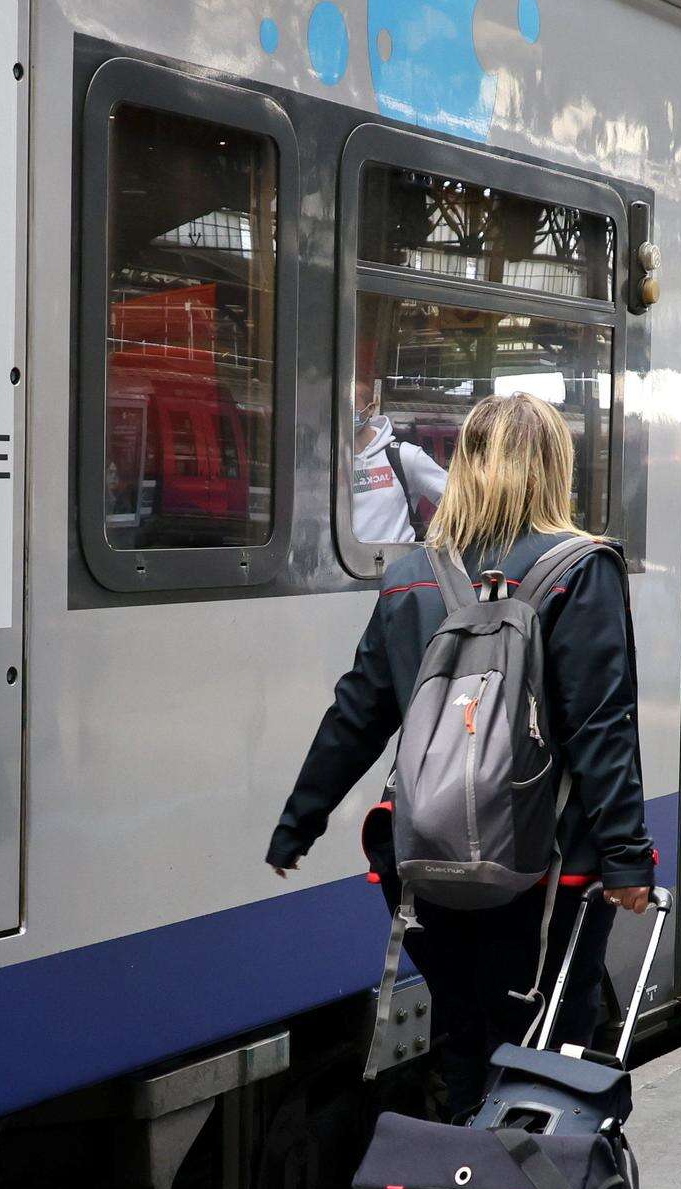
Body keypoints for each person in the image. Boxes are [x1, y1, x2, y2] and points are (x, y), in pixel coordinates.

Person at [268, 392, 654, 1116]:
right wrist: (628, 860)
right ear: (552, 469)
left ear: (466, 468)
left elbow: (357, 714)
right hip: (544, 872)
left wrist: (299, 822)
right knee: (544, 1053)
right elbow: (602, 728)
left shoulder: (412, 576)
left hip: (427, 861)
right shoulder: (581, 568)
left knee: (461, 1040)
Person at [346, 388, 448, 544]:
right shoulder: (326, 462)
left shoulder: (403, 456)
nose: (344, 412)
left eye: (351, 405)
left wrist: (435, 541)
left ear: (370, 409)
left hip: (394, 563)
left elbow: (455, 500)